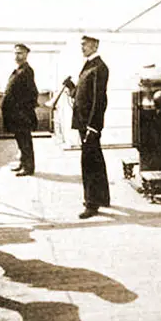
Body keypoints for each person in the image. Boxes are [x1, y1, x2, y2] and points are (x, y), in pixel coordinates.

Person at [64, 35, 110, 219]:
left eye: (86, 44)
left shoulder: (99, 67)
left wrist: (94, 126)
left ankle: (92, 203)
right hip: (84, 121)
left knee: (89, 162)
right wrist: (71, 87)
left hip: (90, 124)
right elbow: (82, 95)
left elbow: (99, 100)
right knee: (95, 158)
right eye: (81, 44)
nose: (82, 47)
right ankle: (102, 198)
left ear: (96, 45)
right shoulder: (88, 66)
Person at [1, 43, 39, 176]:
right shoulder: (18, 70)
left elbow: (32, 93)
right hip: (15, 113)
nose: (17, 56)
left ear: (26, 54)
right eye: (16, 53)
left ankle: (28, 167)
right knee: (20, 140)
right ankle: (23, 163)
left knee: (25, 140)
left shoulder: (27, 71)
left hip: (21, 113)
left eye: (20, 53)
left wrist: (23, 110)